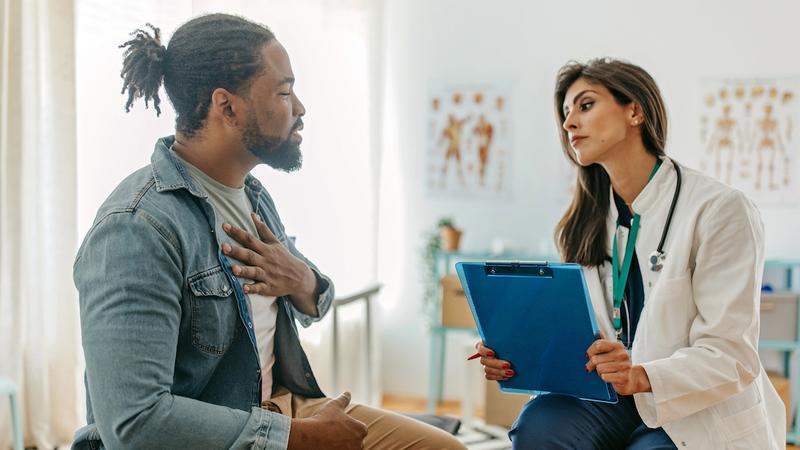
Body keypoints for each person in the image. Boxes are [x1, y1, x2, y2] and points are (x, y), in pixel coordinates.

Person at [73, 13, 466, 450]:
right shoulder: (136, 229)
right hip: (232, 431)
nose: (299, 108)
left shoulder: (253, 196)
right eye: (284, 92)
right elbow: (136, 423)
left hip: (283, 407)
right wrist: (293, 438)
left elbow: (314, 298)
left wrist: (302, 279)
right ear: (226, 106)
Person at [476, 58, 785, 449]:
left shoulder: (720, 209)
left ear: (635, 110)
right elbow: (581, 335)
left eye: (585, 105)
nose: (570, 123)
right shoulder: (586, 220)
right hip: (611, 395)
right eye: (566, 113)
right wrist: (520, 353)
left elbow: (731, 356)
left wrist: (638, 375)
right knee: (538, 427)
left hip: (693, 403)